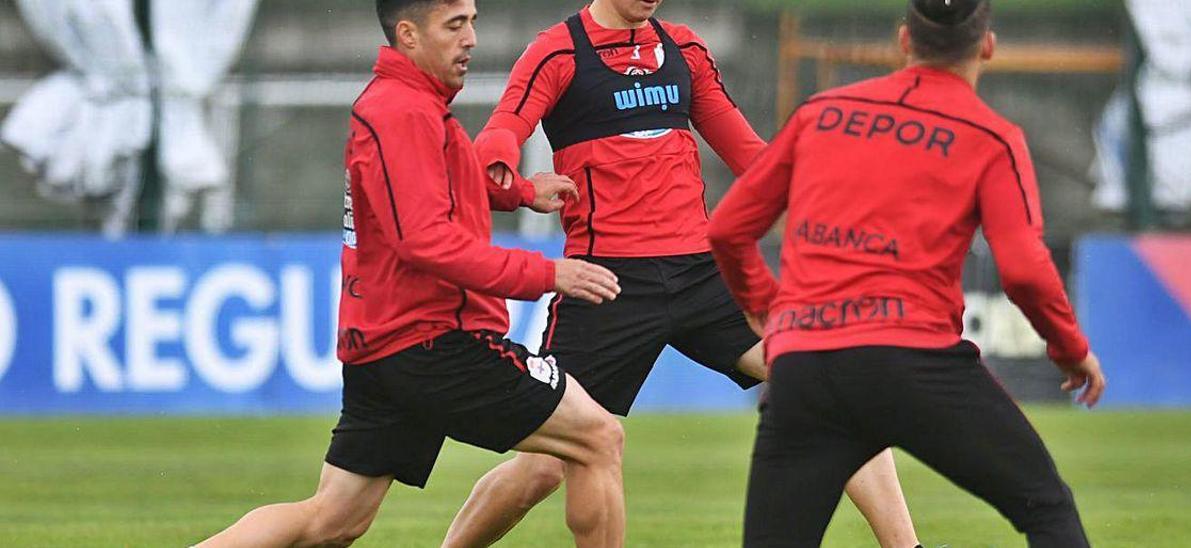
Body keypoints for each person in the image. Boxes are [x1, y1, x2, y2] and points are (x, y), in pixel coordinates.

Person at [443, 0, 919, 547]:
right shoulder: (557, 51)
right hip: (608, 284)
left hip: (703, 273)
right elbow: (499, 137)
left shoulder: (683, 48)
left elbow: (751, 155)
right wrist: (517, 181)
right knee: (546, 466)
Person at [195, 1, 630, 546]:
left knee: (333, 520)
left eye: (472, 21)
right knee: (598, 437)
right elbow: (425, 239)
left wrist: (517, 191)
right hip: (433, 342)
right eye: (454, 25)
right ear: (408, 33)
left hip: (386, 342)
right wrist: (547, 273)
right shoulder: (403, 111)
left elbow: (433, 182)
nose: (471, 37)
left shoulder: (406, 104)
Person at [707, 0, 1108, 546]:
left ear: (903, 40)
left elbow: (728, 229)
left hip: (806, 366)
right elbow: (1024, 270)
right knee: (1047, 509)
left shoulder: (820, 113)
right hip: (914, 363)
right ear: (986, 45)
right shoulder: (991, 137)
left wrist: (768, 308)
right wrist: (1068, 348)